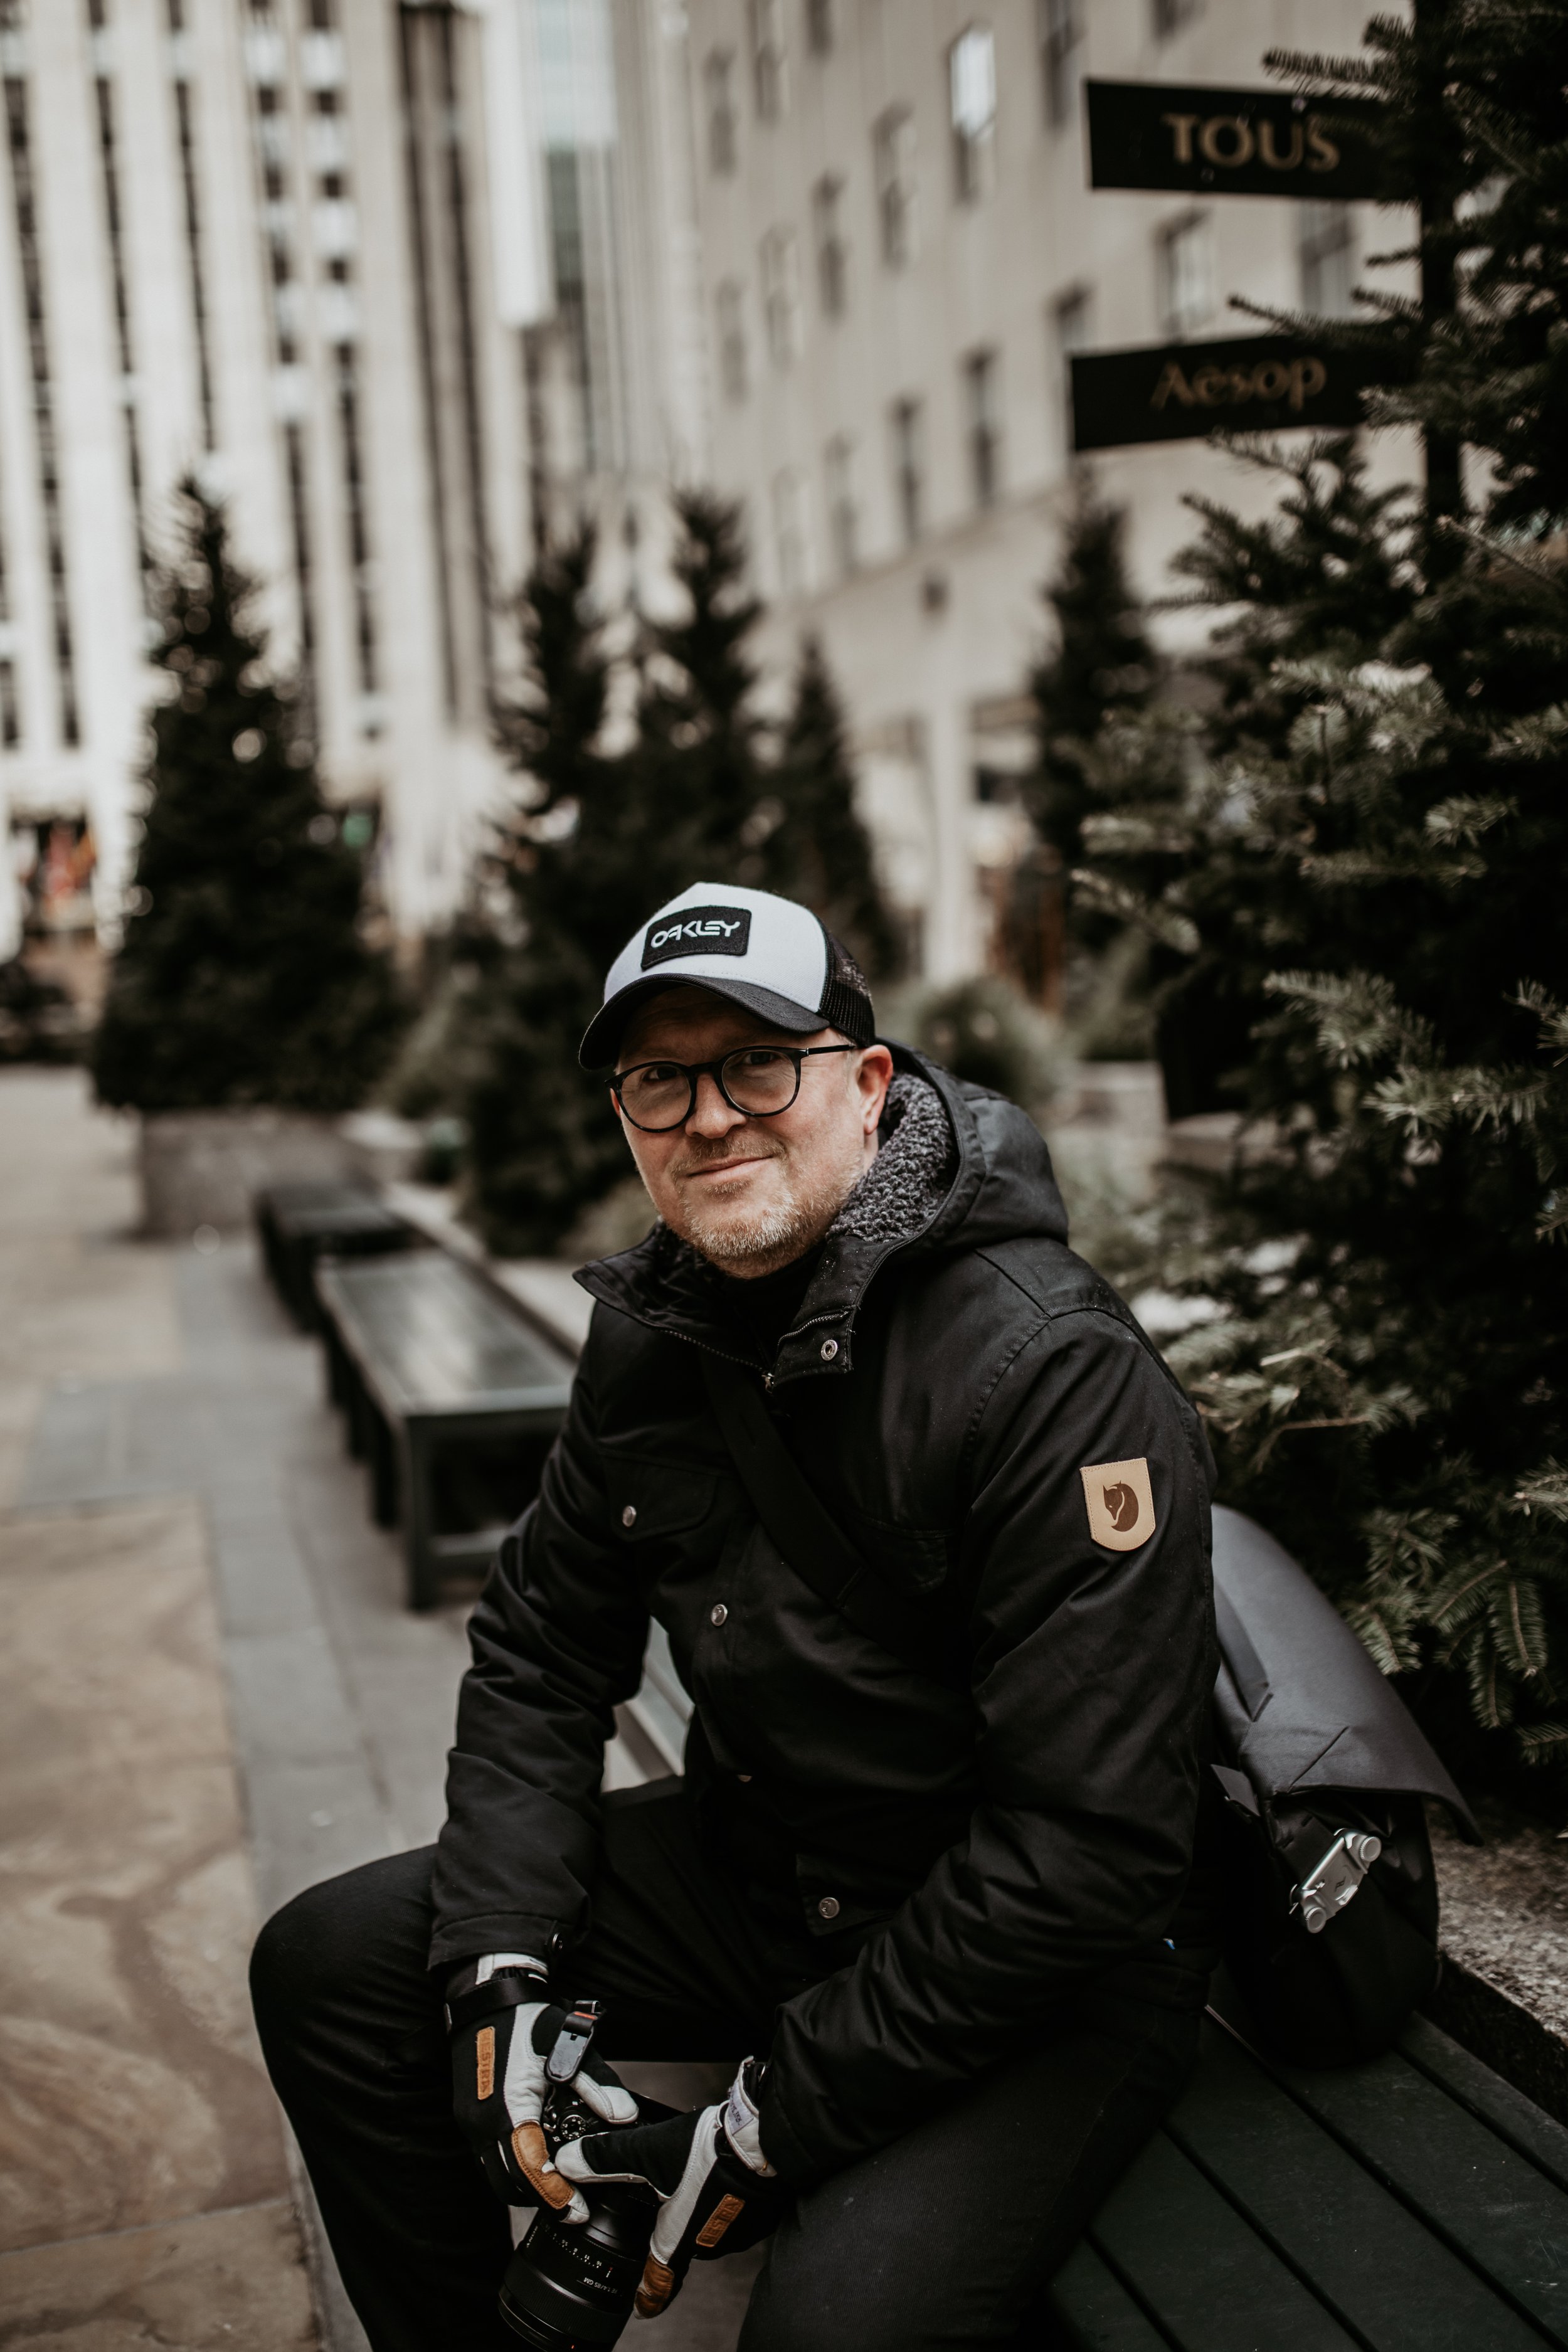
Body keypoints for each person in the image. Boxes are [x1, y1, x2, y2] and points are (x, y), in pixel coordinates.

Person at [252, 881, 1219, 2352]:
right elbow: (540, 1648)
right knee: (332, 1966)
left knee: (827, 2332)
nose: (707, 1118)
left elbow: (1088, 1853)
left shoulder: (1048, 1368)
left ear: (868, 1084)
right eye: (660, 1079)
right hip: (769, 1871)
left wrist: (767, 2118)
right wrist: (502, 1971)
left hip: (1034, 1961)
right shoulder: (655, 1327)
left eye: (757, 1064)